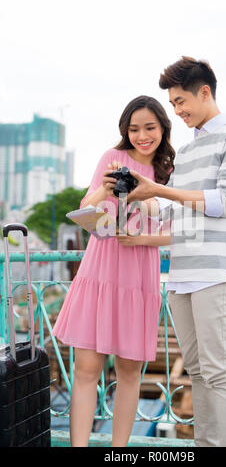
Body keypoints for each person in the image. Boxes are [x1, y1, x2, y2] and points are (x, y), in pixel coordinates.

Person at [126, 57, 226, 447]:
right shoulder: (186, 152)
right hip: (181, 274)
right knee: (199, 373)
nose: (178, 111)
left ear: (205, 92)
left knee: (220, 374)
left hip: (216, 273)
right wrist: (134, 198)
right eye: (172, 105)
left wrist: (160, 191)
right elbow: (174, 213)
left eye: (181, 101)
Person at [52, 95, 174, 447]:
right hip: (100, 269)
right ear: (125, 131)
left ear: (163, 128)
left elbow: (174, 228)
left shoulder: (168, 170)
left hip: (138, 277)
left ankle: (118, 452)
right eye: (134, 129)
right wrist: (103, 191)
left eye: (149, 128)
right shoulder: (112, 158)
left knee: (130, 372)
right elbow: (85, 209)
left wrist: (143, 201)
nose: (142, 136)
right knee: (86, 370)